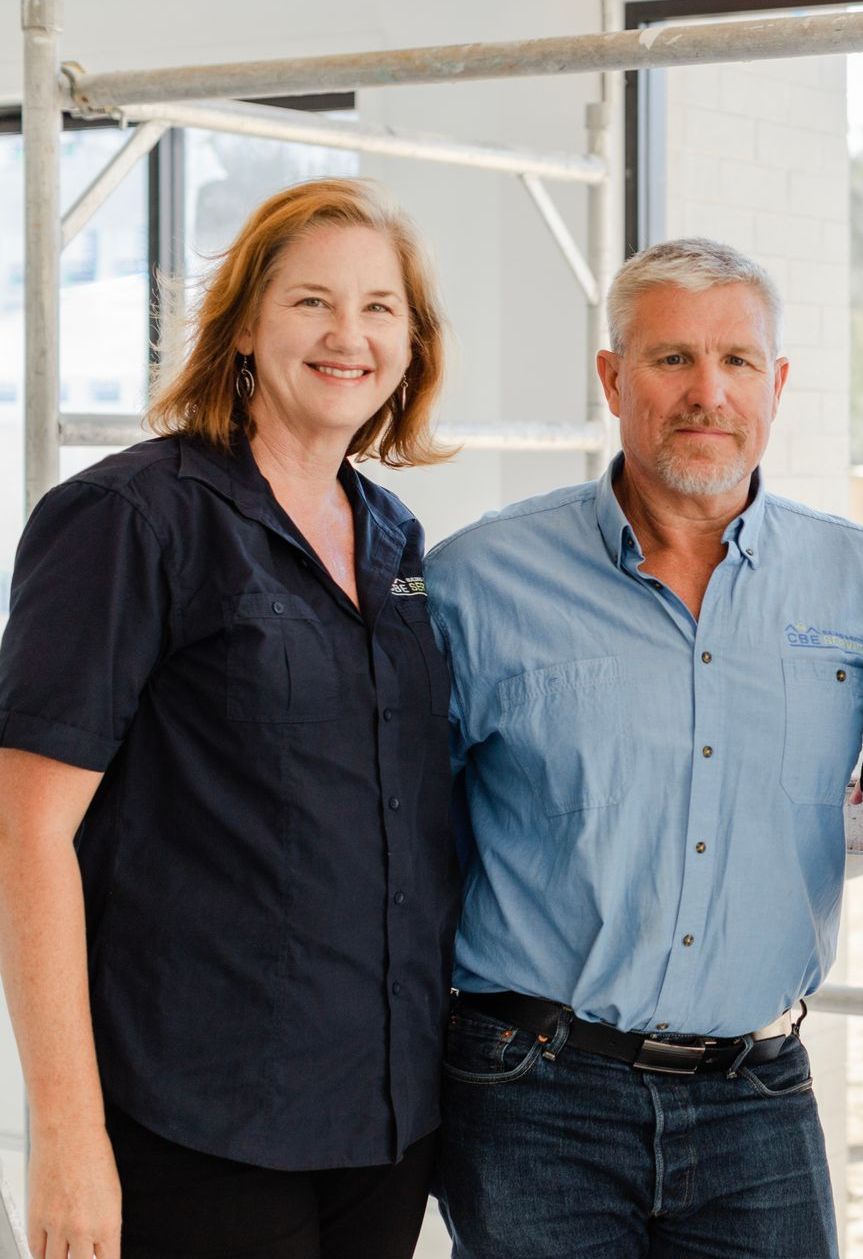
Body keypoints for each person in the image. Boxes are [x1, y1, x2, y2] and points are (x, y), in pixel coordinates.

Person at [0, 178, 459, 1259]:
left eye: (379, 308)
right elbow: (24, 833)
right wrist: (64, 1136)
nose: (347, 334)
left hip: (381, 1120)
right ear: (246, 323)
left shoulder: (393, 537)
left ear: (410, 342)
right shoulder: (130, 517)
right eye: (311, 302)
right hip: (195, 1118)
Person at [425, 238, 856, 1259]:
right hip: (534, 1088)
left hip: (756, 1093)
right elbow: (398, 833)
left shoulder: (846, 579)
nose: (706, 391)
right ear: (612, 377)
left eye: (737, 361)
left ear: (776, 383)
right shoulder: (478, 580)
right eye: (669, 359)